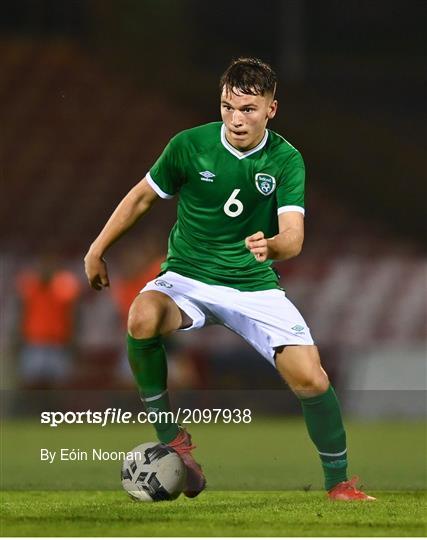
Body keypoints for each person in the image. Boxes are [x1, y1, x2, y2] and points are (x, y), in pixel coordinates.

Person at [84, 57, 375, 501]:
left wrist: (271, 247)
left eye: (249, 110)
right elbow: (143, 197)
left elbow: (293, 237)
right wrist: (97, 248)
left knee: (312, 380)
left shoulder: (285, 159)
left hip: (253, 285)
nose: (236, 120)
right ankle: (174, 441)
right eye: (228, 107)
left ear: (271, 109)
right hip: (187, 277)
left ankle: (339, 484)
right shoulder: (189, 145)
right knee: (141, 315)